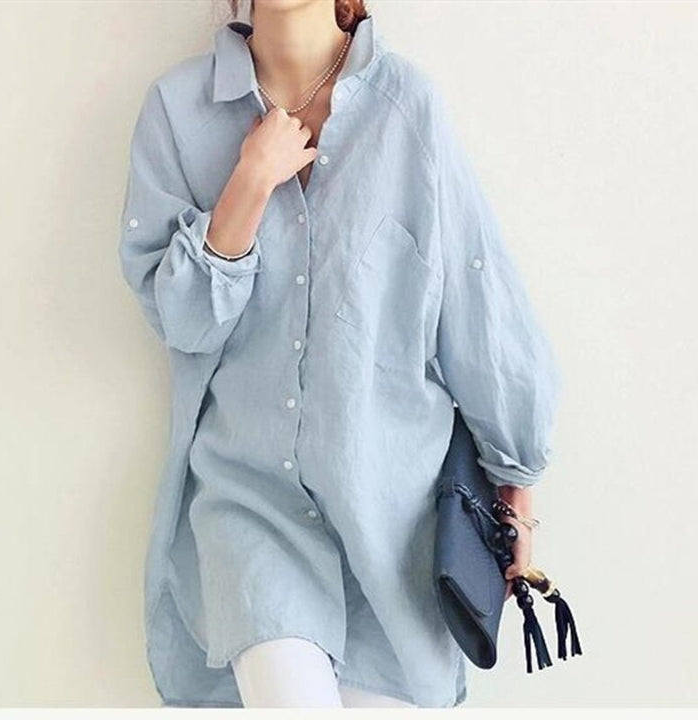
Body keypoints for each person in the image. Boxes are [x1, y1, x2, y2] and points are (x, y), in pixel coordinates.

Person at [117, 0, 562, 709]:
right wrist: (248, 183)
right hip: (250, 505)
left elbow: (477, 303)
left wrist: (518, 486)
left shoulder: (407, 107)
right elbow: (185, 323)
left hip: (395, 518)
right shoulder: (178, 110)